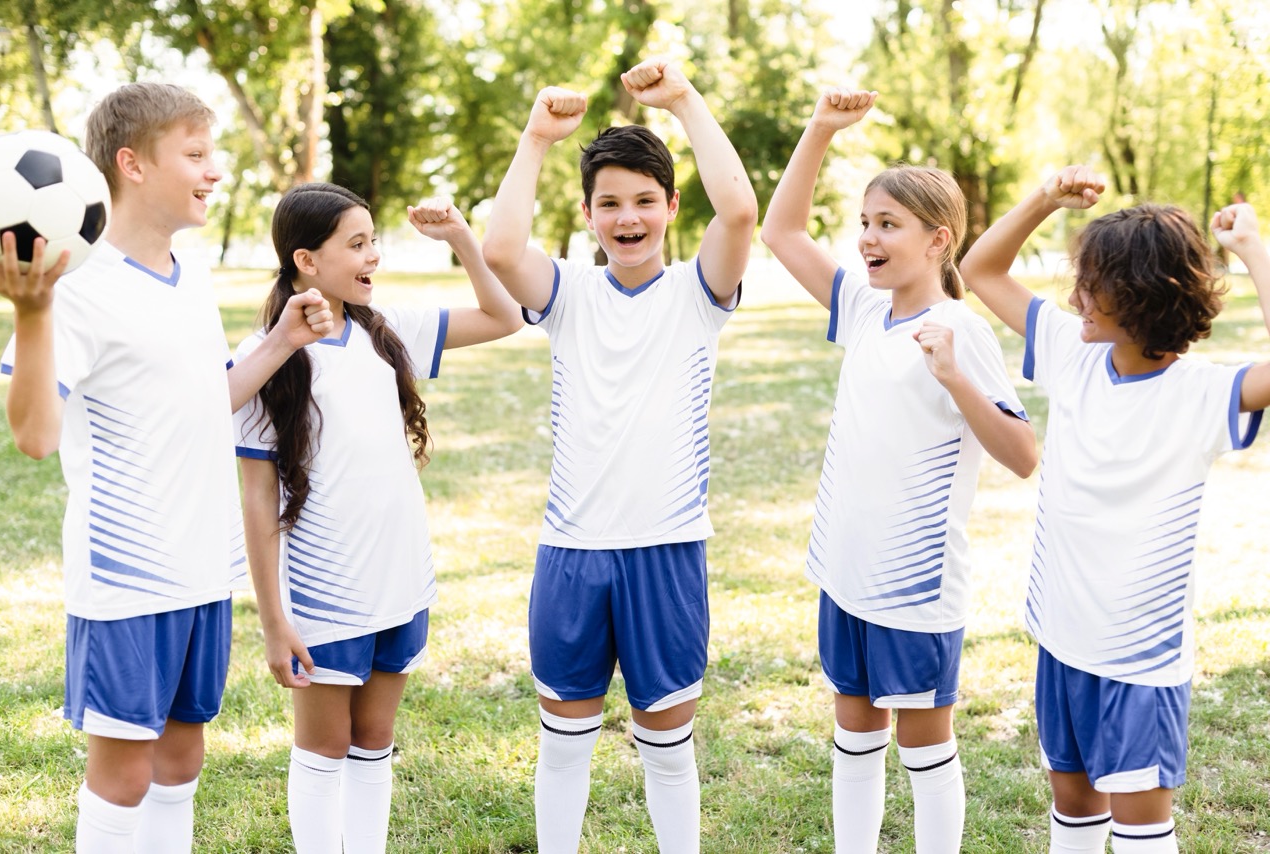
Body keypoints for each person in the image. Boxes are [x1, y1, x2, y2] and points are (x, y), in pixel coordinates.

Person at [0, 82, 333, 854]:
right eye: (196, 153)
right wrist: (33, 313)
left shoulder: (188, 273)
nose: (215, 172)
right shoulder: (75, 287)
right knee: (123, 778)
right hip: (127, 577)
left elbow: (203, 400)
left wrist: (276, 343)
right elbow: (36, 435)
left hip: (203, 571)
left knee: (181, 760)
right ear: (131, 164)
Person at [480, 58, 758, 853]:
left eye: (644, 201)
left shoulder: (697, 296)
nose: (627, 217)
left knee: (667, 749)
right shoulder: (566, 293)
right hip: (571, 554)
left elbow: (738, 211)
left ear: (671, 206)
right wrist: (535, 138)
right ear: (589, 213)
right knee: (563, 746)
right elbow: (502, 250)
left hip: (666, 553)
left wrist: (684, 100)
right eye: (610, 203)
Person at [958, 166, 1270, 853]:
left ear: (1140, 296)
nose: (1075, 297)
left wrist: (1251, 248)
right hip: (1062, 634)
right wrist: (1045, 197)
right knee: (1072, 804)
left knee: (1138, 826)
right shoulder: (1073, 350)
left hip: (1139, 657)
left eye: (1091, 284)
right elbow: (980, 267)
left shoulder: (1199, 392)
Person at [760, 88, 1037, 854]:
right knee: (854, 734)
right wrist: (819, 128)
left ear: (937, 239)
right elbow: (781, 230)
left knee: (923, 746)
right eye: (864, 224)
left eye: (888, 226)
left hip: (914, 589)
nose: (868, 240)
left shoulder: (960, 329)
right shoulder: (863, 307)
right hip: (844, 569)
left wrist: (955, 379)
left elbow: (1023, 455)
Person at [233, 185, 522, 854]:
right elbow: (255, 499)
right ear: (307, 260)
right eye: (357, 244)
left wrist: (462, 241)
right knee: (325, 746)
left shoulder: (383, 326)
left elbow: (504, 317)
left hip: (402, 578)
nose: (375, 256)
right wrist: (274, 622)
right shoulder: (267, 356)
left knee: (373, 742)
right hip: (327, 591)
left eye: (373, 240)